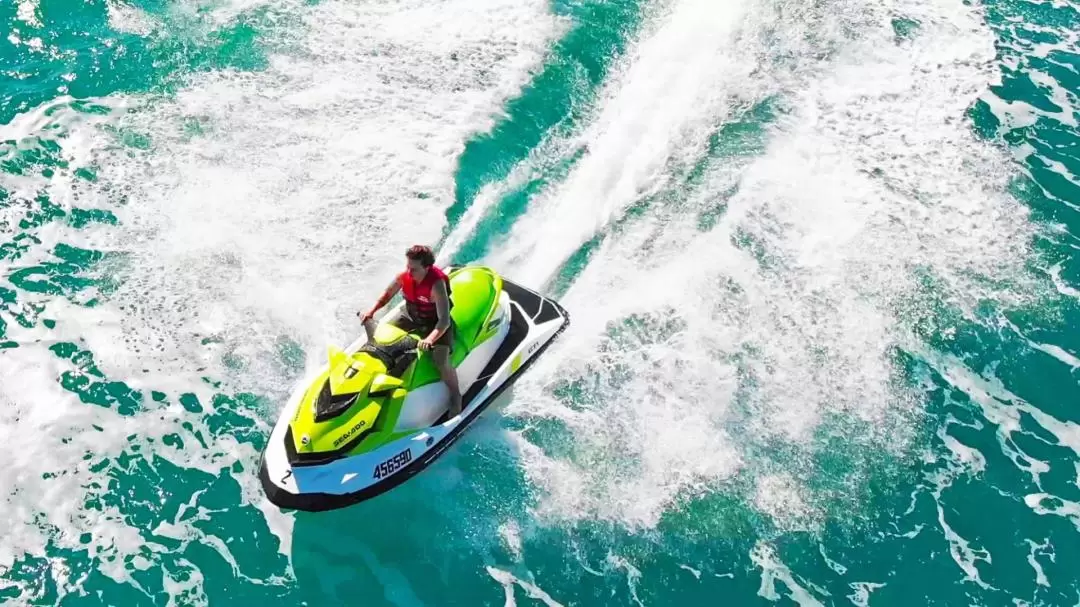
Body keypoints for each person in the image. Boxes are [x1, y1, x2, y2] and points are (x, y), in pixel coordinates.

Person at [358, 245, 462, 417]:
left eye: (413, 269)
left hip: (434, 323)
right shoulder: (404, 276)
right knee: (380, 340)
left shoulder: (436, 285)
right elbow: (387, 294)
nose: (409, 272)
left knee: (440, 359)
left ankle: (456, 396)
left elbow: (444, 320)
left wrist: (430, 339)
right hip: (411, 317)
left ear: (426, 267)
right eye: (407, 266)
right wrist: (371, 311)